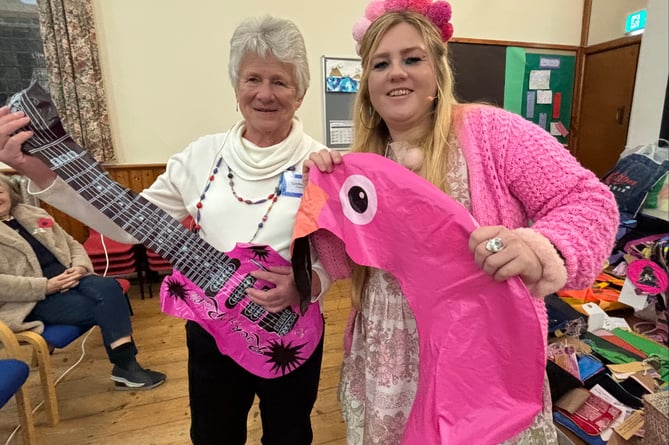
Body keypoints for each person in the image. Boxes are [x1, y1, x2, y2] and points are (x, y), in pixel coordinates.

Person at [0, 15, 331, 445]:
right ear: (236, 86)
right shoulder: (200, 156)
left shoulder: (322, 163)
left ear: (300, 93)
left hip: (290, 331)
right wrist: (41, 173)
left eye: (280, 82)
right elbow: (129, 221)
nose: (265, 93)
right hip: (211, 327)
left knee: (289, 436)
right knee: (213, 434)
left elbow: (338, 251)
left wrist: (306, 284)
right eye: (252, 78)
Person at [305, 0, 619, 443]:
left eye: (412, 58)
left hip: (477, 355)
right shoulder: (361, 163)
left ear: (437, 71)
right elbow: (344, 256)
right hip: (387, 354)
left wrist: (537, 247)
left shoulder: (493, 132)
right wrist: (322, 197)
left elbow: (588, 200)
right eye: (381, 63)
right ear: (367, 84)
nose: (396, 72)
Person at [0, 173, 166, 390]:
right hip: (32, 298)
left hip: (71, 278)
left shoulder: (32, 213)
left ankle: (126, 368)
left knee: (110, 287)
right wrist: (46, 286)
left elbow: (72, 243)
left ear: (10, 193)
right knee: (105, 305)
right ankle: (126, 364)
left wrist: (79, 267)